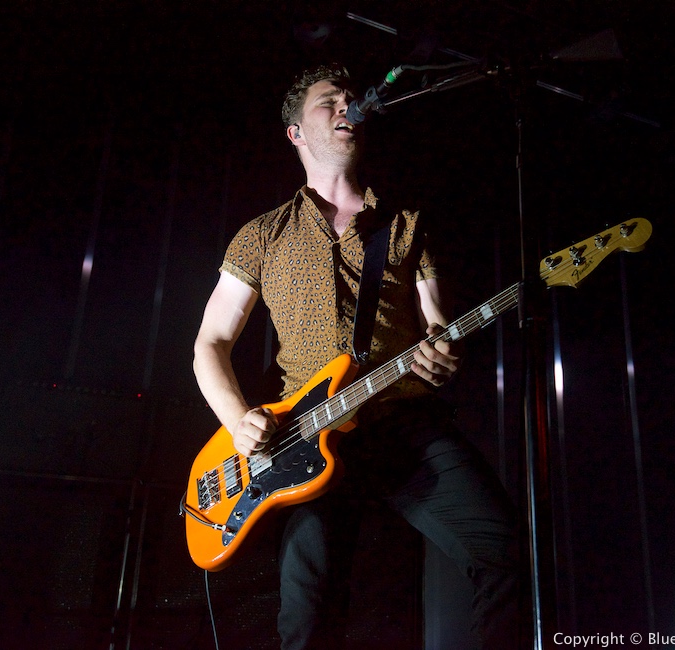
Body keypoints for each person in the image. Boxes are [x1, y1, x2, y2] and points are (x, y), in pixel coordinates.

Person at [192, 64, 520, 649]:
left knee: (505, 554)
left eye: (350, 99)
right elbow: (210, 343)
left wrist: (445, 354)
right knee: (308, 616)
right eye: (329, 101)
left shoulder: (408, 223)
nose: (347, 107)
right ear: (295, 132)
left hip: (403, 424)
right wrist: (236, 419)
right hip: (303, 440)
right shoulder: (262, 235)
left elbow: (439, 324)